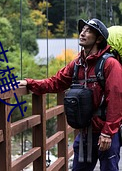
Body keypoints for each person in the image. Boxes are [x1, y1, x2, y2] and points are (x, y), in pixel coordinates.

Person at [18, 18, 122, 171]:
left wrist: (108, 133)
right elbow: (56, 82)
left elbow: (116, 99)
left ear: (99, 39)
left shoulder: (110, 64)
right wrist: (30, 83)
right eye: (82, 30)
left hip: (105, 133)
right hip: (85, 132)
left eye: (88, 31)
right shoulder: (77, 64)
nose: (82, 33)